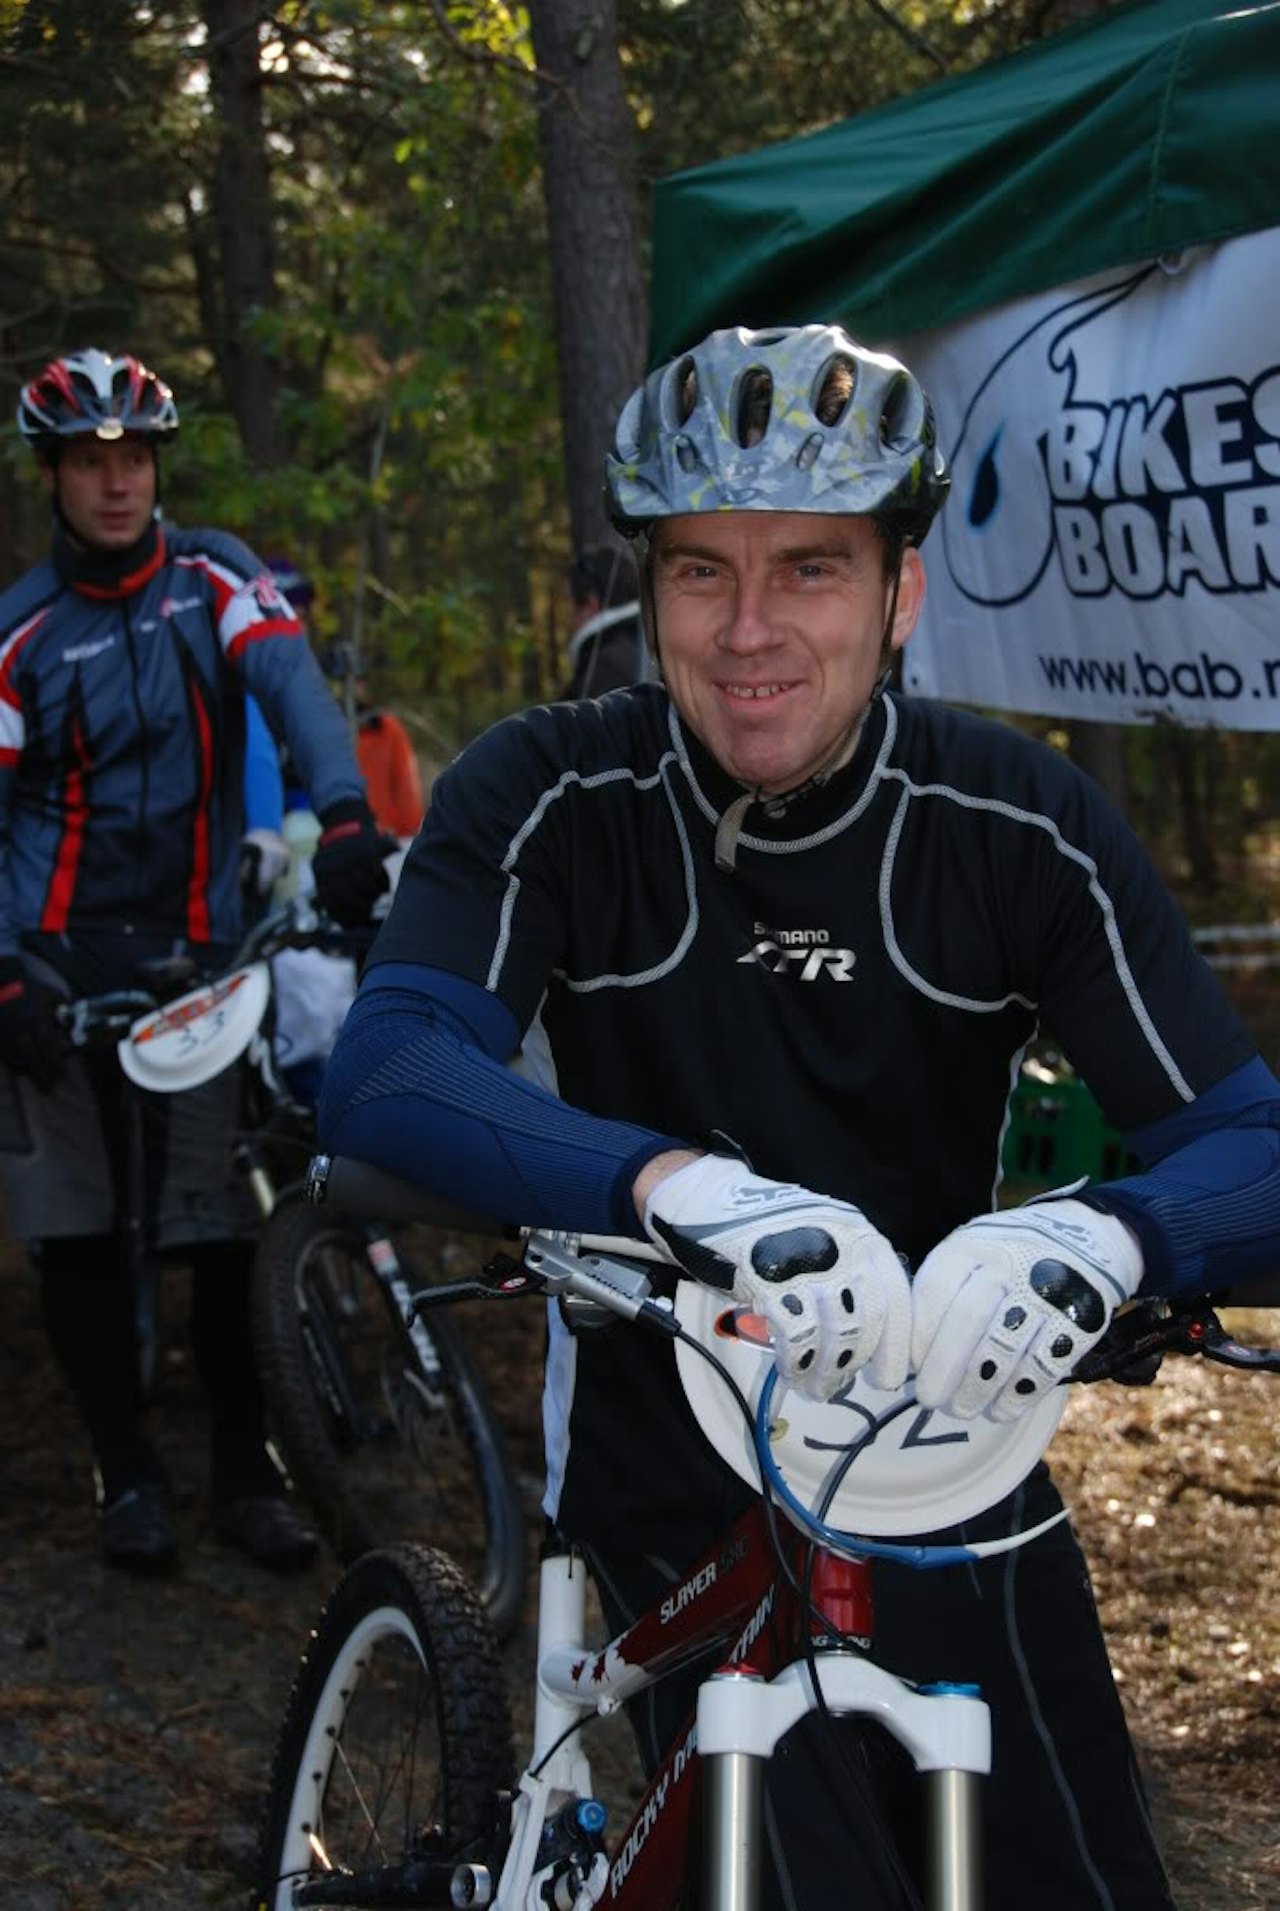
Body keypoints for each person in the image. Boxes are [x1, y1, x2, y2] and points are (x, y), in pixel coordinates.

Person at [317, 324, 1280, 1907]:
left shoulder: (1015, 824)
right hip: (660, 1436)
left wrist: (1108, 1233)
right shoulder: (552, 790)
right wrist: (677, 1187)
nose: (749, 629)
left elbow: (1253, 1141)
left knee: (1085, 1878)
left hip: (940, 1440)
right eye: (701, 571)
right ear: (651, 592)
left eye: (812, 570)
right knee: (807, 1864)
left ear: (904, 591)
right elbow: (393, 1064)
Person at [0, 348, 393, 1574]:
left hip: (197, 956)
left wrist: (340, 817)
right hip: (55, 958)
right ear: (54, 475)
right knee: (72, 1231)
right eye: (88, 462)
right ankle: (128, 1475)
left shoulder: (215, 578)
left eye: (133, 458)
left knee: (215, 1228)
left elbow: (295, 691)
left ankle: (243, 1473)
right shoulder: (18, 633)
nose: (116, 484)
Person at [561, 541, 652, 697]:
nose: (566, 614)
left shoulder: (604, 668)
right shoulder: (647, 646)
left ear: (592, 603)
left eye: (568, 600)